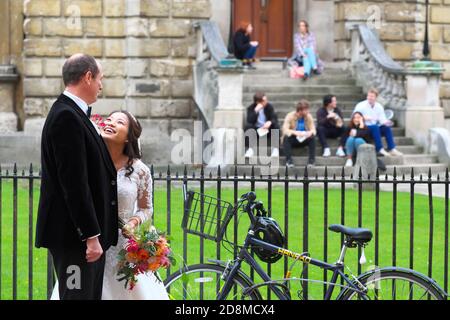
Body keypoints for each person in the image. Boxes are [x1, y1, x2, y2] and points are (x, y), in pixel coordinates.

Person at [51, 111, 169, 300]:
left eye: (119, 122)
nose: (111, 123)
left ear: (128, 137)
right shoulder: (88, 164)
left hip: (123, 249)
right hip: (91, 242)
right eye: (109, 119)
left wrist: (133, 222)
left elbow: (146, 208)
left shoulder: (140, 171)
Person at [36, 54, 118, 300]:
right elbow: (73, 183)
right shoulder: (66, 117)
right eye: (100, 79)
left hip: (83, 240)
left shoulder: (75, 114)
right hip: (75, 240)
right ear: (88, 77)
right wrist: (90, 236)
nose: (101, 85)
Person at [354, 88, 403, 157]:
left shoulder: (379, 107)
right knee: (375, 127)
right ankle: (379, 149)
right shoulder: (360, 106)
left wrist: (387, 122)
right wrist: (364, 118)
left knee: (386, 127)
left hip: (374, 129)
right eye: (368, 96)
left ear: (376, 97)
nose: (370, 98)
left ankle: (392, 149)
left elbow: (382, 120)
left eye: (372, 96)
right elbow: (354, 119)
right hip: (363, 128)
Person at [245, 92, 280, 158]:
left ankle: (275, 149)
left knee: (276, 126)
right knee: (248, 126)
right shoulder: (251, 108)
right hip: (257, 131)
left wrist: (270, 122)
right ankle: (250, 149)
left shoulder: (269, 106)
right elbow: (249, 120)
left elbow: (274, 118)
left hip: (267, 130)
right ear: (258, 102)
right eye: (264, 101)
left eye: (266, 100)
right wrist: (255, 111)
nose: (266, 101)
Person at [282, 100, 316, 168]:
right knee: (286, 138)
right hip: (294, 138)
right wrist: (295, 133)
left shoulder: (308, 116)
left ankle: (311, 161)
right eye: (306, 110)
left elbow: (313, 129)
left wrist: (310, 132)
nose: (308, 111)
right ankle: (289, 161)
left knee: (312, 138)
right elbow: (285, 129)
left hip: (304, 138)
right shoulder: (290, 116)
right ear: (300, 111)